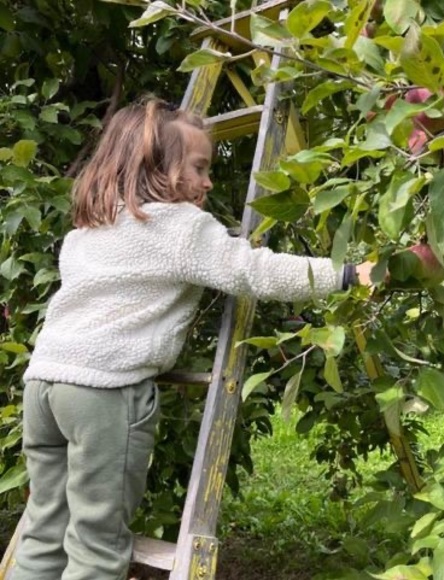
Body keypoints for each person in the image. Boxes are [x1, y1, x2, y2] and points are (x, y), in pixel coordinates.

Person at [13, 97, 373, 580]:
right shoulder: (178, 226)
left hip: (43, 386)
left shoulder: (91, 227)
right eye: (200, 168)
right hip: (103, 391)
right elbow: (254, 271)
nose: (208, 183)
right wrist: (347, 273)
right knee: (96, 545)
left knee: (43, 532)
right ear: (157, 168)